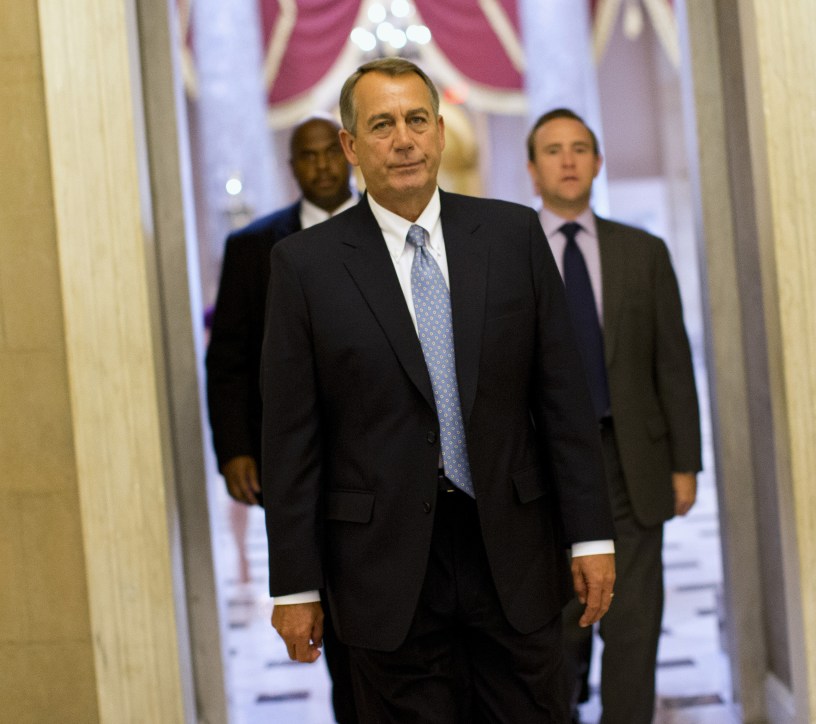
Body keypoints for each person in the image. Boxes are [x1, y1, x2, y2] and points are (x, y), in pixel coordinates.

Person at [261, 58, 617, 723]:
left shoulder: (513, 236)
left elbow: (563, 402)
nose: (403, 140)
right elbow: (290, 437)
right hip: (383, 567)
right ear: (350, 145)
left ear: (440, 129)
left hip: (511, 548)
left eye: (417, 120)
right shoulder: (304, 266)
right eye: (382, 124)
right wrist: (296, 582)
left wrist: (591, 538)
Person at [526, 108, 703, 724]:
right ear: (532, 168)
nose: (568, 160)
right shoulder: (507, 253)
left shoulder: (642, 252)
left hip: (633, 462)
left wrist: (686, 463)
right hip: (543, 475)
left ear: (598, 163)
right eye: (553, 150)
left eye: (580, 148)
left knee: (632, 627)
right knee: (560, 630)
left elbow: (672, 365)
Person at [204, 114, 358, 722]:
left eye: (328, 153)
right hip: (296, 459)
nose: (320, 165)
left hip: (380, 448)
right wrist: (235, 447)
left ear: (346, 155)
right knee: (321, 594)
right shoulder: (254, 248)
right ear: (291, 167)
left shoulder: (390, 231)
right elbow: (230, 359)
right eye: (306, 156)